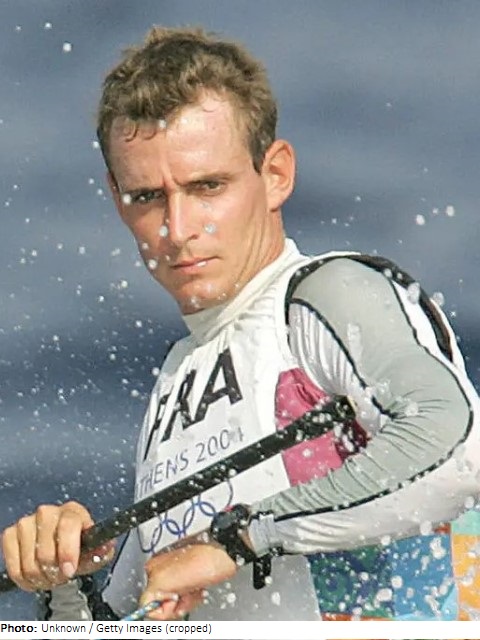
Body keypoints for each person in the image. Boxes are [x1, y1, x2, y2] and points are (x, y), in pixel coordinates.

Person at [2, 25, 480, 622]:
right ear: (116, 196)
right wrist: (62, 583)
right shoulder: (177, 380)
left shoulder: (328, 296)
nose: (178, 229)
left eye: (208, 186)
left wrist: (240, 538)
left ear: (275, 174)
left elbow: (461, 456)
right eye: (147, 197)